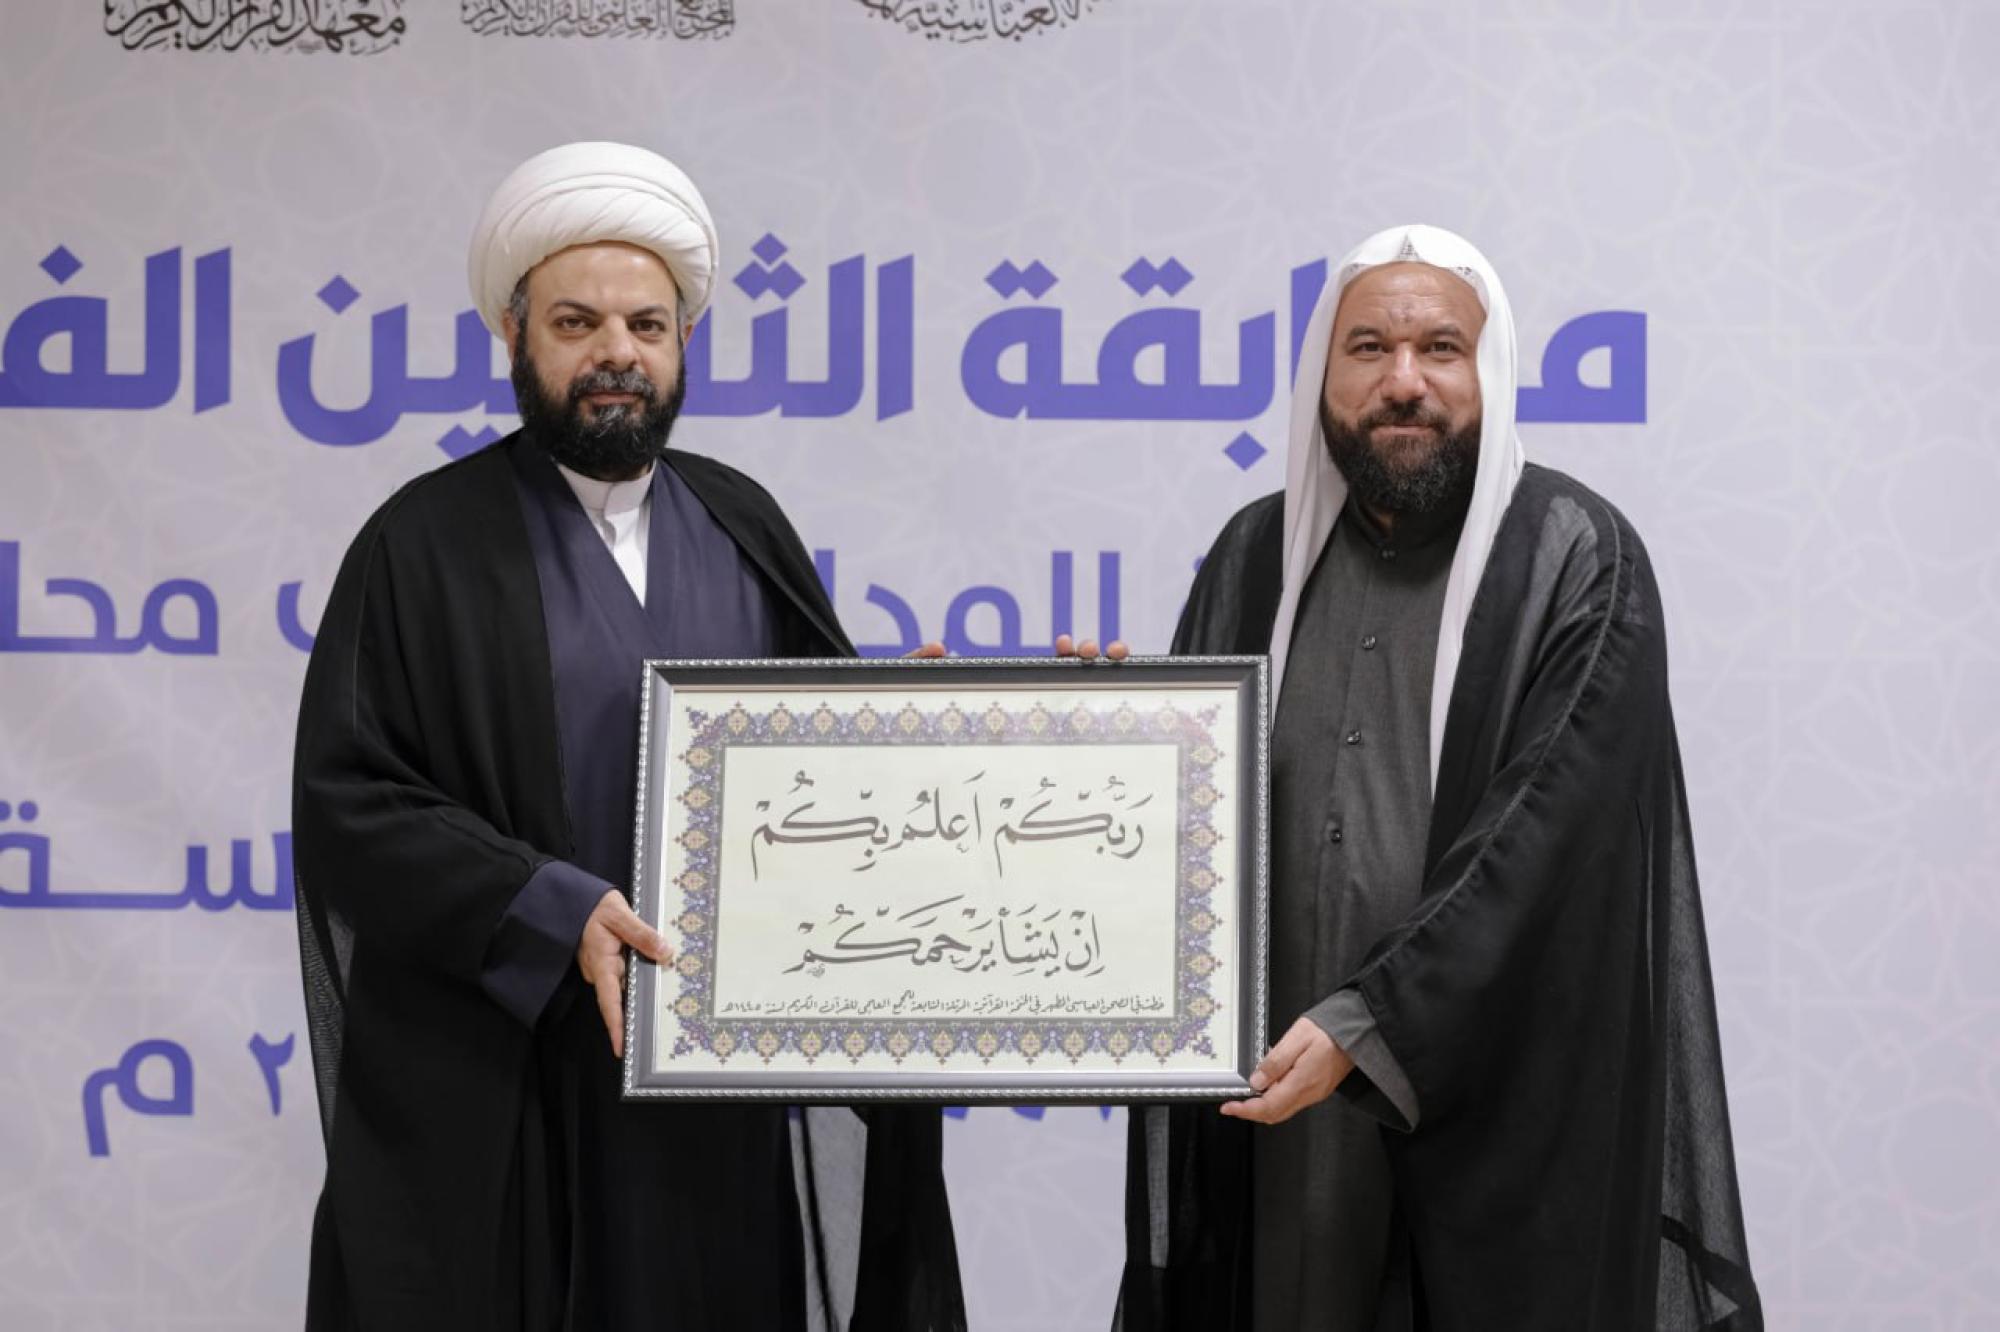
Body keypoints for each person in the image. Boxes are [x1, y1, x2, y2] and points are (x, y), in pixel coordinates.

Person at [291, 141, 964, 1331]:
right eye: (576, 322)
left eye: (647, 325)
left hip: (713, 1102)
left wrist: (914, 737)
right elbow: (351, 804)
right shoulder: (421, 544)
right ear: (514, 336)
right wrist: (550, 908)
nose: (616, 352)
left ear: (682, 342)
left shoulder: (742, 523)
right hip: (512, 1085)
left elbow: (818, 787)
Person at [1113, 226, 1761, 1330]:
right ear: (1321, 377)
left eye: (1440, 349)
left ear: (1487, 371)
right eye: (1368, 347)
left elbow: (1544, 837)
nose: (1403, 381)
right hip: (1269, 1115)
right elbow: (1178, 828)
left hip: (1492, 1120)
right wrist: (1082, 751)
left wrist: (1371, 1022)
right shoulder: (1253, 556)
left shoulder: (1574, 556)